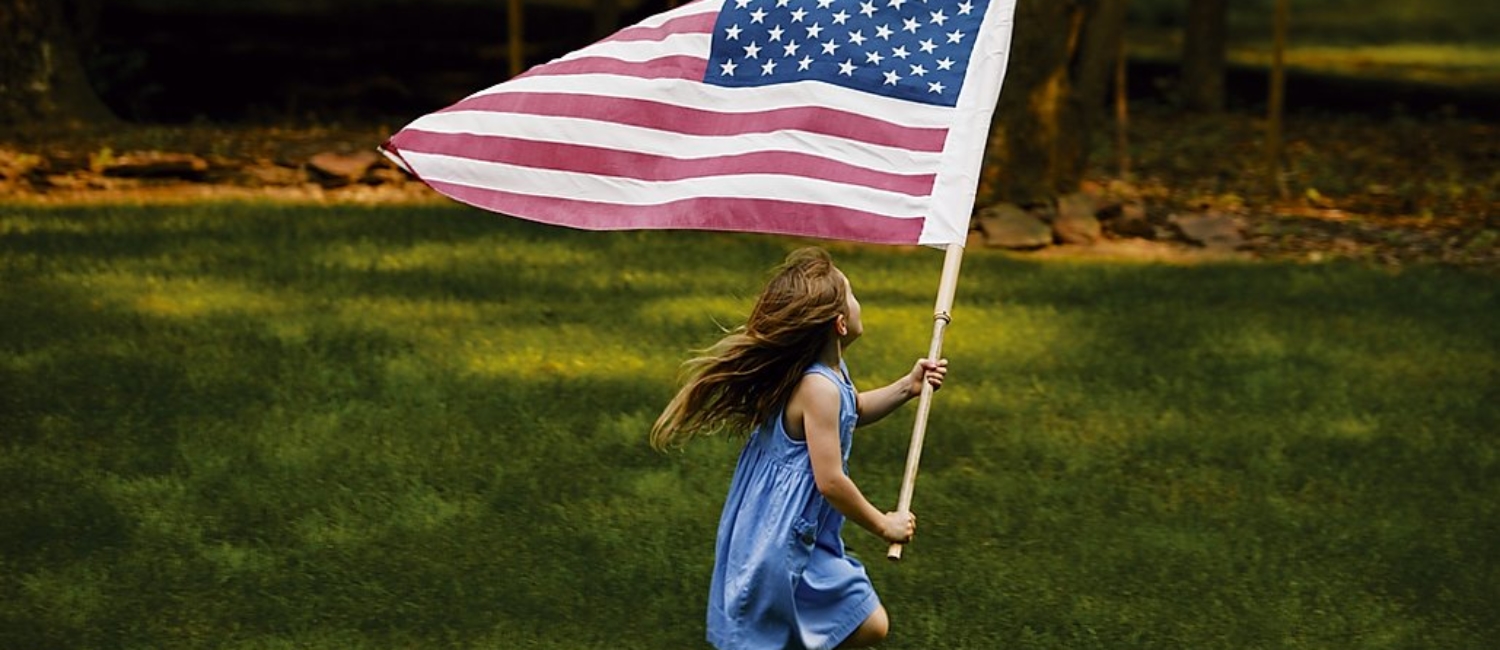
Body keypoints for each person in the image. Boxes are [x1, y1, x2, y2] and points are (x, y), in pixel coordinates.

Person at [652, 247, 948, 649]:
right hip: (782, 532)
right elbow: (829, 481)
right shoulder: (817, 387)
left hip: (803, 528)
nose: (860, 302)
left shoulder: (831, 374)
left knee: (847, 624)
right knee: (862, 624)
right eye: (853, 294)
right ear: (841, 324)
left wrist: (906, 387)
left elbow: (853, 409)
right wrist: (883, 524)